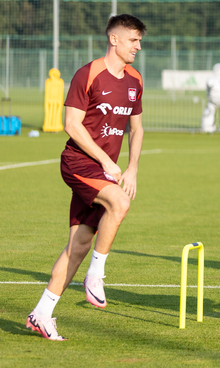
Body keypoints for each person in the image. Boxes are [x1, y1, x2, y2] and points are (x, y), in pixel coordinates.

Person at [26, 14, 147, 341]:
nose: (138, 46)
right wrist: (107, 160)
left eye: (139, 40)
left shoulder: (134, 80)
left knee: (78, 245)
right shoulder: (89, 73)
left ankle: (42, 313)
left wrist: (132, 166)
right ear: (114, 40)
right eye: (133, 40)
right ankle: (96, 275)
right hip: (79, 162)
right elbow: (72, 125)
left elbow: (136, 129)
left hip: (103, 169)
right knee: (119, 203)